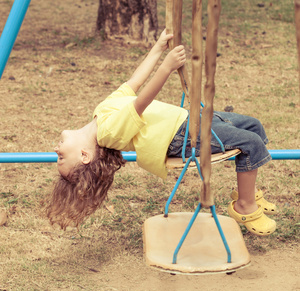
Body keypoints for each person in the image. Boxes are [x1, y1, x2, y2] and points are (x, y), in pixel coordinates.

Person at [47, 29, 277, 236]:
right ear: (85, 156)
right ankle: (244, 207)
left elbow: (133, 82)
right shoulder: (108, 133)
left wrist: (157, 48)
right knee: (251, 142)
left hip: (186, 120)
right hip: (180, 137)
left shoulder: (101, 114)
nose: (56, 149)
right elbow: (141, 102)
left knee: (253, 125)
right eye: (61, 156)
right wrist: (166, 67)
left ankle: (248, 192)